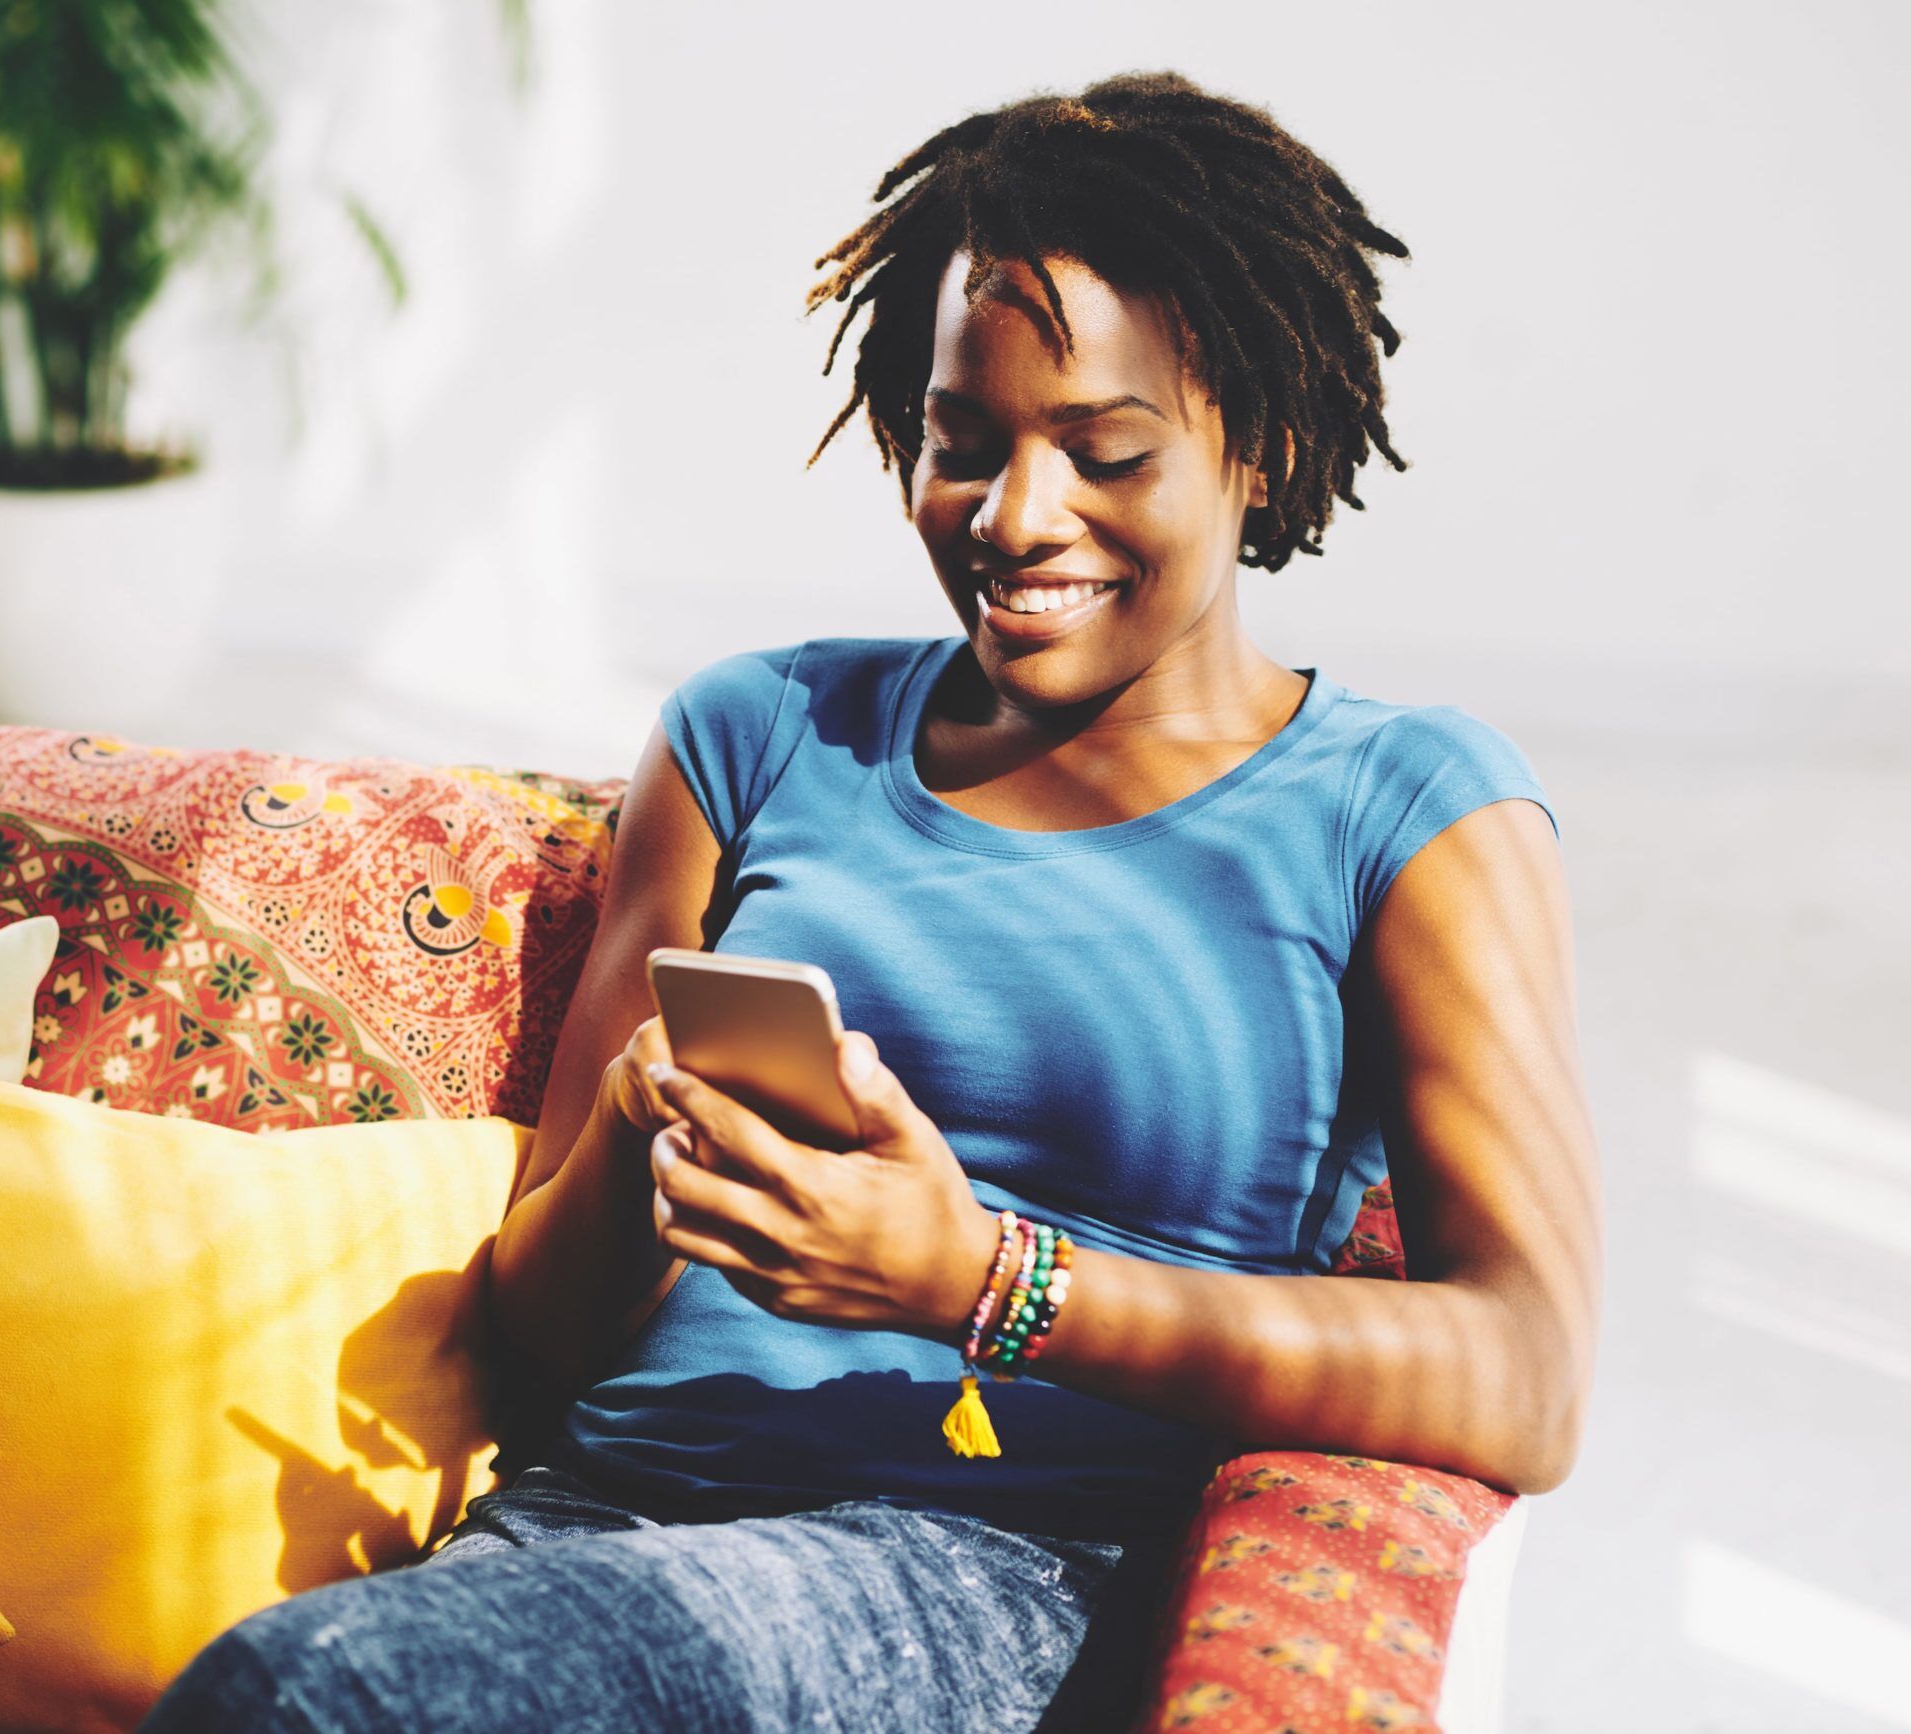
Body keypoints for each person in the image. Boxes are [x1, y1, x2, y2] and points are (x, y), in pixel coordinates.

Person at [142, 69, 1603, 1734]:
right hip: (586, 1533)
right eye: (955, 443)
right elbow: (537, 1337)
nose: (1011, 514)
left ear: (1255, 446)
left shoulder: (1407, 806)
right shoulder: (756, 733)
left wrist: (985, 1276)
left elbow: (1526, 1371)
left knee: (309, 1696)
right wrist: (639, 1128)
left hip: (987, 1561)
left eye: (1103, 450)